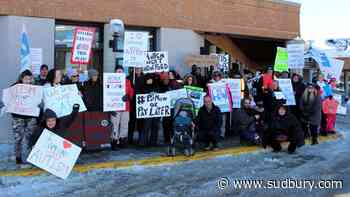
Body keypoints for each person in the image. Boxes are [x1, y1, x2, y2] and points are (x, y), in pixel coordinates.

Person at [10, 70, 37, 164]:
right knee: (18, 138)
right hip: (18, 117)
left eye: (29, 78)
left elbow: (38, 100)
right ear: (22, 78)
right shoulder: (14, 87)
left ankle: (33, 157)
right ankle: (18, 158)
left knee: (31, 137)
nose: (28, 80)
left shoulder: (34, 87)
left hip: (30, 117)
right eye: (26, 78)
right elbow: (8, 100)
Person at [110, 65, 135, 150]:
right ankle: (114, 141)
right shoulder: (110, 80)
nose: (119, 73)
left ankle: (122, 140)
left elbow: (131, 91)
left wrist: (128, 96)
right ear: (115, 72)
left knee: (124, 124)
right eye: (118, 71)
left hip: (126, 107)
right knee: (115, 125)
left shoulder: (127, 81)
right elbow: (108, 93)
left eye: (121, 71)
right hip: (115, 107)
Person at [139, 73, 161, 146]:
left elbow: (161, 96)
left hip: (155, 111)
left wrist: (156, 93)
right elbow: (141, 96)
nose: (149, 81)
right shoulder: (143, 87)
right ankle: (143, 142)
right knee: (146, 126)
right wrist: (148, 94)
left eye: (151, 79)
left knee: (155, 126)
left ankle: (153, 142)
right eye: (148, 79)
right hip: (147, 111)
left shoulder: (157, 86)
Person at [128, 68, 144, 145]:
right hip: (132, 103)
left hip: (142, 104)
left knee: (141, 123)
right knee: (131, 122)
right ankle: (129, 139)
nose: (138, 69)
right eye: (136, 68)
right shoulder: (129, 78)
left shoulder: (145, 77)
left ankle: (141, 139)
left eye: (139, 68)